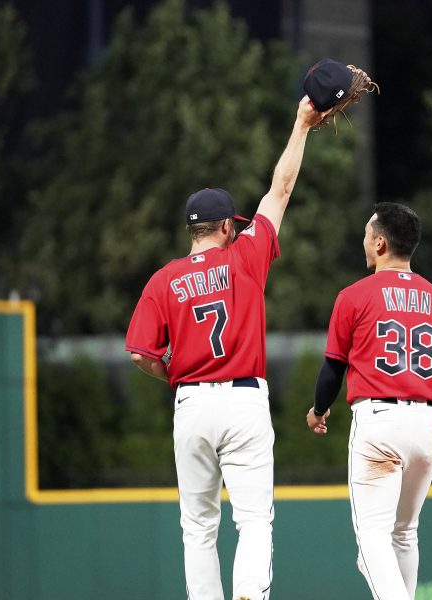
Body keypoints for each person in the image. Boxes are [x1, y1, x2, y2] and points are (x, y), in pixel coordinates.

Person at [125, 97, 325, 600]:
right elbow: (280, 189)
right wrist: (301, 124)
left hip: (191, 401)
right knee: (254, 518)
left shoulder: (163, 280)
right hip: (243, 401)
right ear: (226, 227)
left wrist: (171, 368)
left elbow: (140, 354)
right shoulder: (246, 257)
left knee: (198, 526)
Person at [306, 202, 432, 600]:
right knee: (404, 532)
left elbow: (333, 368)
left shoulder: (354, 296)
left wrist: (317, 410)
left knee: (372, 542)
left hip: (379, 423)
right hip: (427, 425)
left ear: (380, 243)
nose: (363, 240)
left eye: (367, 234)